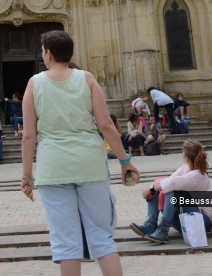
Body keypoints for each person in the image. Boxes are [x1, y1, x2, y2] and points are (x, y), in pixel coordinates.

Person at [21, 29, 139, 276]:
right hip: (90, 163)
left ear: (49, 54)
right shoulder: (86, 79)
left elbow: (29, 134)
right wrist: (125, 161)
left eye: (43, 51)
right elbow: (106, 125)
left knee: (66, 244)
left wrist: (27, 176)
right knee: (102, 238)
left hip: (53, 167)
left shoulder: (35, 83)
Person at [129, 139, 212, 244]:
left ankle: (163, 229)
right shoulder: (185, 168)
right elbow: (168, 181)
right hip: (188, 218)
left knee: (172, 189)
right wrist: (152, 188)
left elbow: (172, 183)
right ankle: (151, 224)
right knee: (161, 185)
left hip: (203, 221)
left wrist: (151, 189)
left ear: (186, 158)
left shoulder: (199, 175)